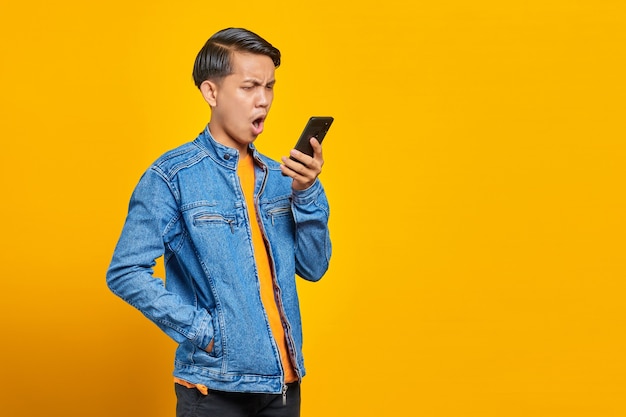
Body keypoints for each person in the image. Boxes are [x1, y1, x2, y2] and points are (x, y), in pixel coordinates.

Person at [106, 27, 332, 417]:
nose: (263, 100)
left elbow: (314, 268)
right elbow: (125, 271)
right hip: (214, 391)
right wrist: (205, 333)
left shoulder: (281, 178)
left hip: (283, 386)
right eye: (249, 87)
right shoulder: (172, 176)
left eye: (269, 87)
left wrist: (307, 192)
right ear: (211, 93)